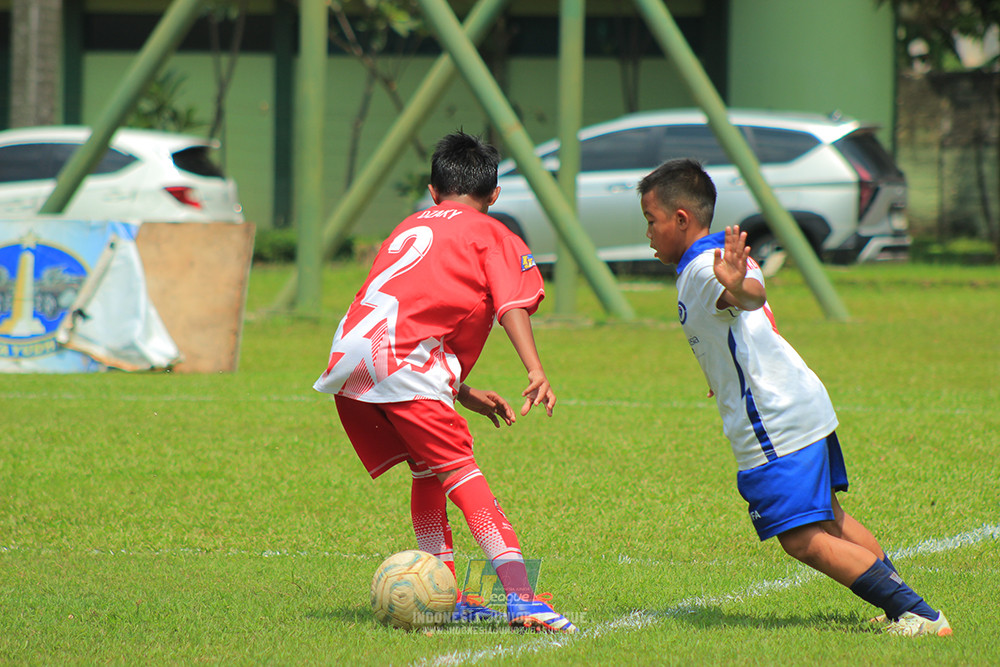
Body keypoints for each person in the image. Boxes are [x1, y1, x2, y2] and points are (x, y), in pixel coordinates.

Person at [637, 158, 951, 638]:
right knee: (830, 517)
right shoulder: (712, 261)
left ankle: (919, 614)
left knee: (802, 539)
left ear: (681, 219)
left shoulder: (707, 269)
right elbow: (746, 316)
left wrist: (736, 284)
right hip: (800, 402)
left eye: (651, 222)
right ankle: (900, 609)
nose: (649, 234)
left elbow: (748, 296)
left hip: (774, 420)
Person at [314, 131, 576, 634]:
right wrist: (535, 369)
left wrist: (459, 390)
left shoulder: (406, 227)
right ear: (494, 196)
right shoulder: (493, 232)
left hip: (351, 358)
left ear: (433, 191)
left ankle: (449, 595)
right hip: (407, 362)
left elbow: (401, 314)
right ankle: (523, 598)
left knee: (428, 470)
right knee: (461, 471)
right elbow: (511, 305)